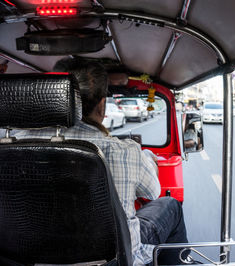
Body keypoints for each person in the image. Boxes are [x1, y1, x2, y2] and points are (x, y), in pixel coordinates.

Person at [15, 58, 188, 265]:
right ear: (102, 105)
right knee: (171, 205)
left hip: (32, 257)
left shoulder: (11, 143)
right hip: (115, 259)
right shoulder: (123, 151)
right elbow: (152, 192)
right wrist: (147, 158)